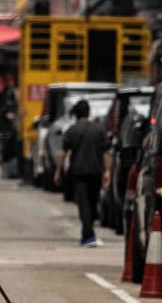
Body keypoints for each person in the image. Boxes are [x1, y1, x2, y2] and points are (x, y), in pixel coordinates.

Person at [54, 99, 105, 247]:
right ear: (88, 112)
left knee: (84, 205)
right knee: (93, 202)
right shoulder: (99, 129)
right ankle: (88, 235)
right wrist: (108, 171)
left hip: (79, 172)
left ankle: (88, 236)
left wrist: (58, 172)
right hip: (96, 171)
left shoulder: (72, 130)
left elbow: (63, 153)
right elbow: (106, 153)